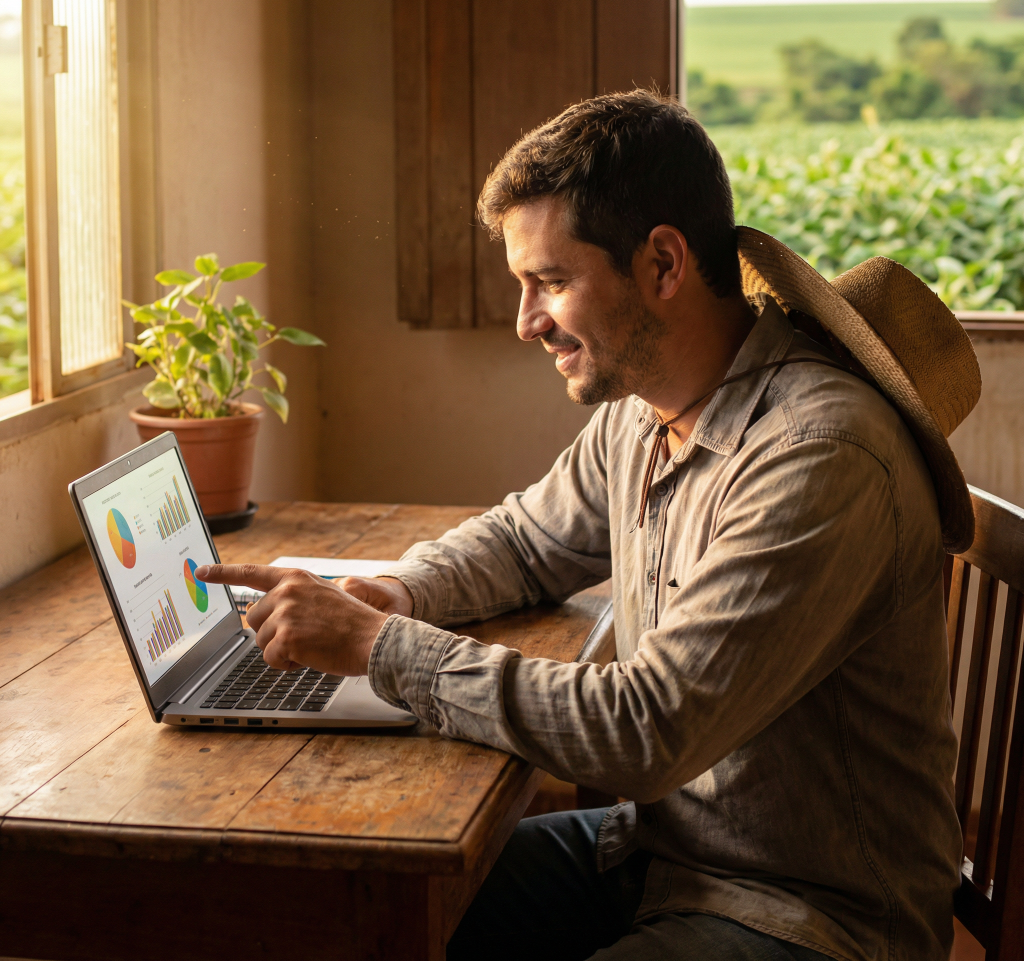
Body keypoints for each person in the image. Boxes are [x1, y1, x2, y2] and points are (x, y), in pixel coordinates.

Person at [197, 90, 980, 961]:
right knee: (346, 908)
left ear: (662, 264)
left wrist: (380, 646)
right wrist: (396, 591)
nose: (527, 322)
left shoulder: (819, 455)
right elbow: (527, 541)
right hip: (659, 857)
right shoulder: (648, 407)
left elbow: (645, 730)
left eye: (552, 282)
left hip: (808, 915)